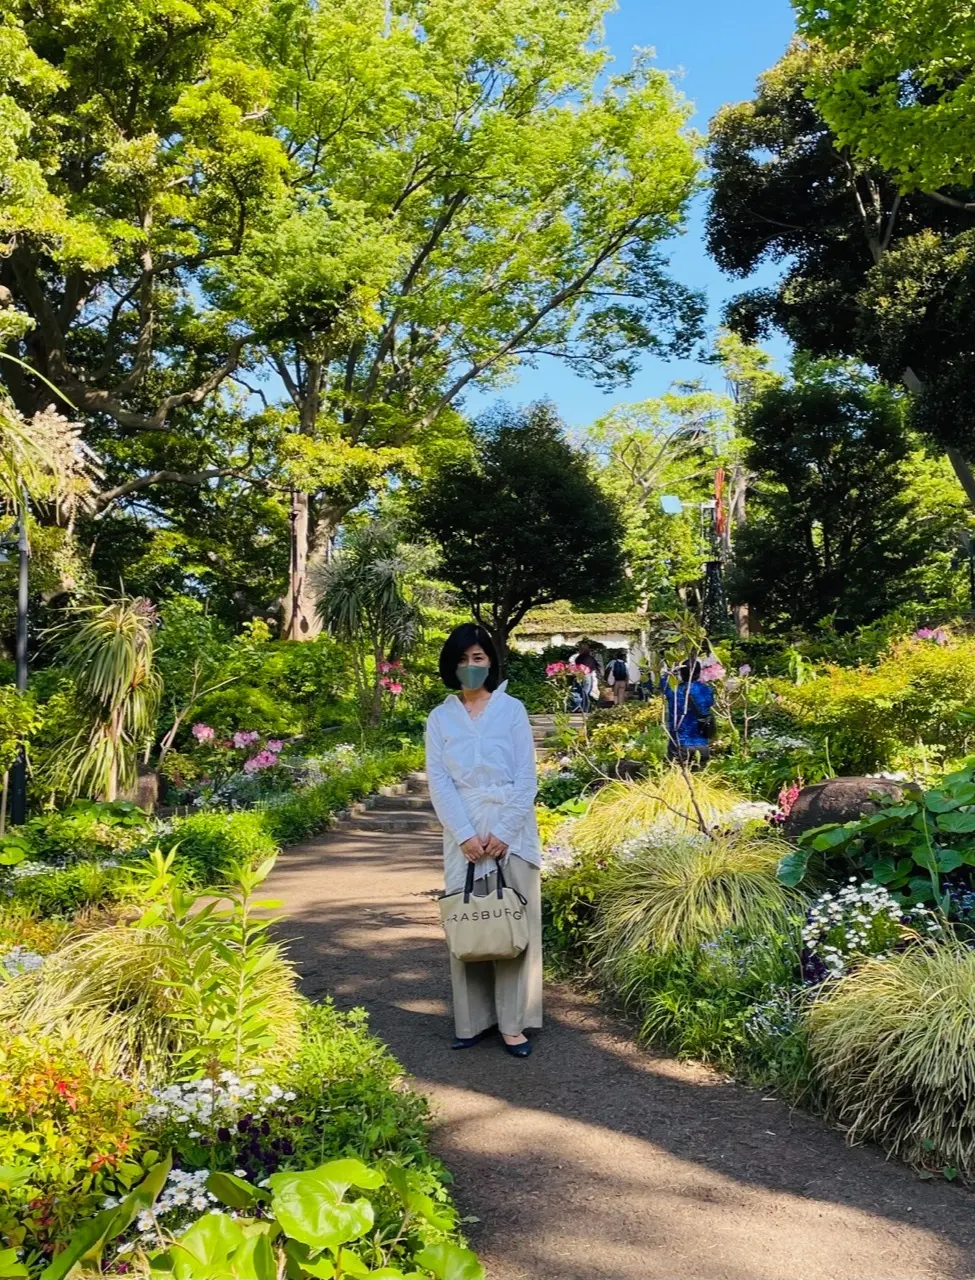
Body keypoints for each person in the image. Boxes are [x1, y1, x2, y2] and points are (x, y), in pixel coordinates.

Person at [424, 623, 542, 1058]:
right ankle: (471, 1021)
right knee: (468, 921)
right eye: (461, 660)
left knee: (512, 921)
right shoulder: (440, 718)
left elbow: (527, 775)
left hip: (512, 826)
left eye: (477, 658)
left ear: (490, 661)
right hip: (463, 829)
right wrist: (465, 835)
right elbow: (438, 780)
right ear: (450, 667)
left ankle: (513, 1024)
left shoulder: (511, 709)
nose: (470, 667)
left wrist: (505, 832)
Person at [662, 659, 715, 766]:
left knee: (678, 778)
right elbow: (710, 702)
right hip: (702, 743)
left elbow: (664, 686)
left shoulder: (675, 691)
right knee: (699, 778)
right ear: (699, 673)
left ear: (681, 673)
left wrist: (670, 673)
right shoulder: (706, 690)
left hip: (680, 743)